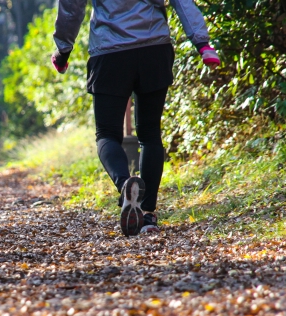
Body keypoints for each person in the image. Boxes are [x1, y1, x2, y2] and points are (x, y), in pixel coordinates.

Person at [51, 0, 220, 237]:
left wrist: (63, 48)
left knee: (107, 135)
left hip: (110, 52)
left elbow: (72, 6)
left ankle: (126, 188)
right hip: (155, 49)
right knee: (150, 133)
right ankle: (148, 214)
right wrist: (202, 43)